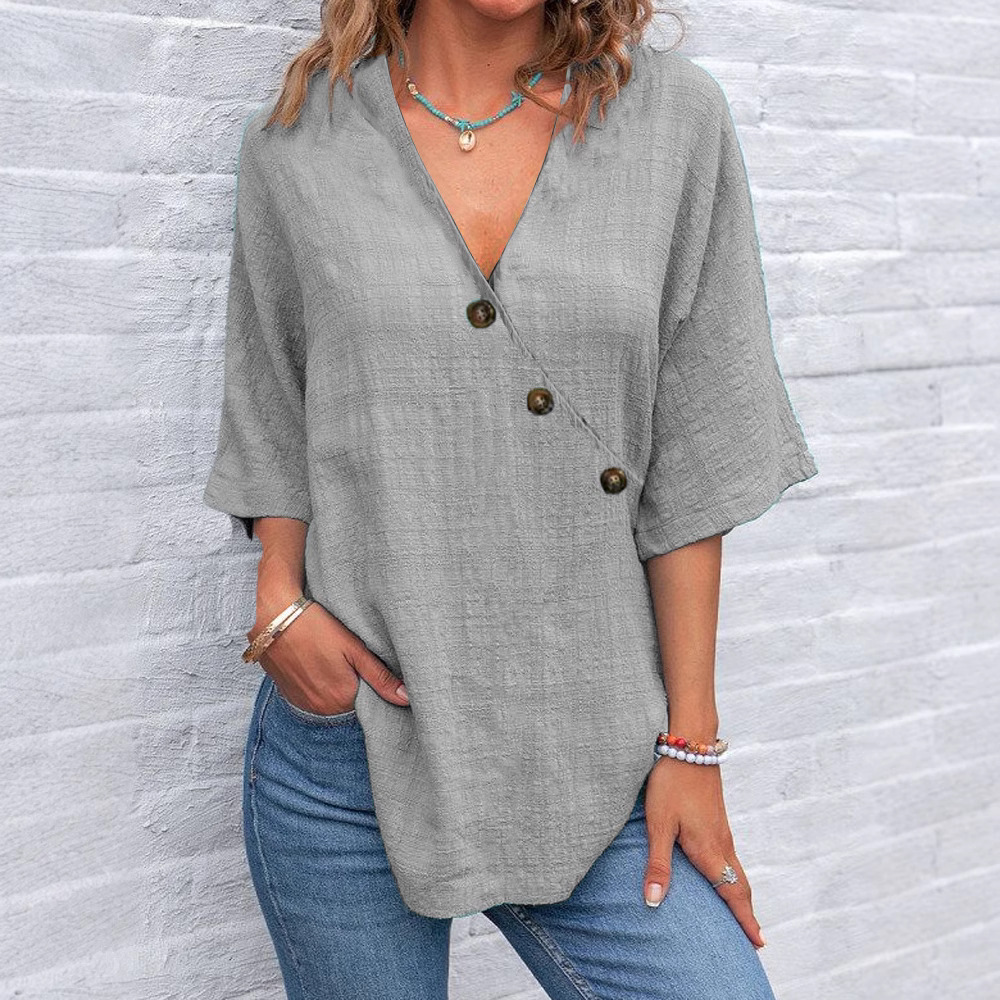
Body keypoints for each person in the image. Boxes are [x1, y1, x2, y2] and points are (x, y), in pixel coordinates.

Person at [201, 0, 819, 995]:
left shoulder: (674, 123)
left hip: (595, 751)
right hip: (351, 747)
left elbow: (694, 466)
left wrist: (691, 746)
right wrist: (280, 598)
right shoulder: (300, 139)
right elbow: (273, 400)